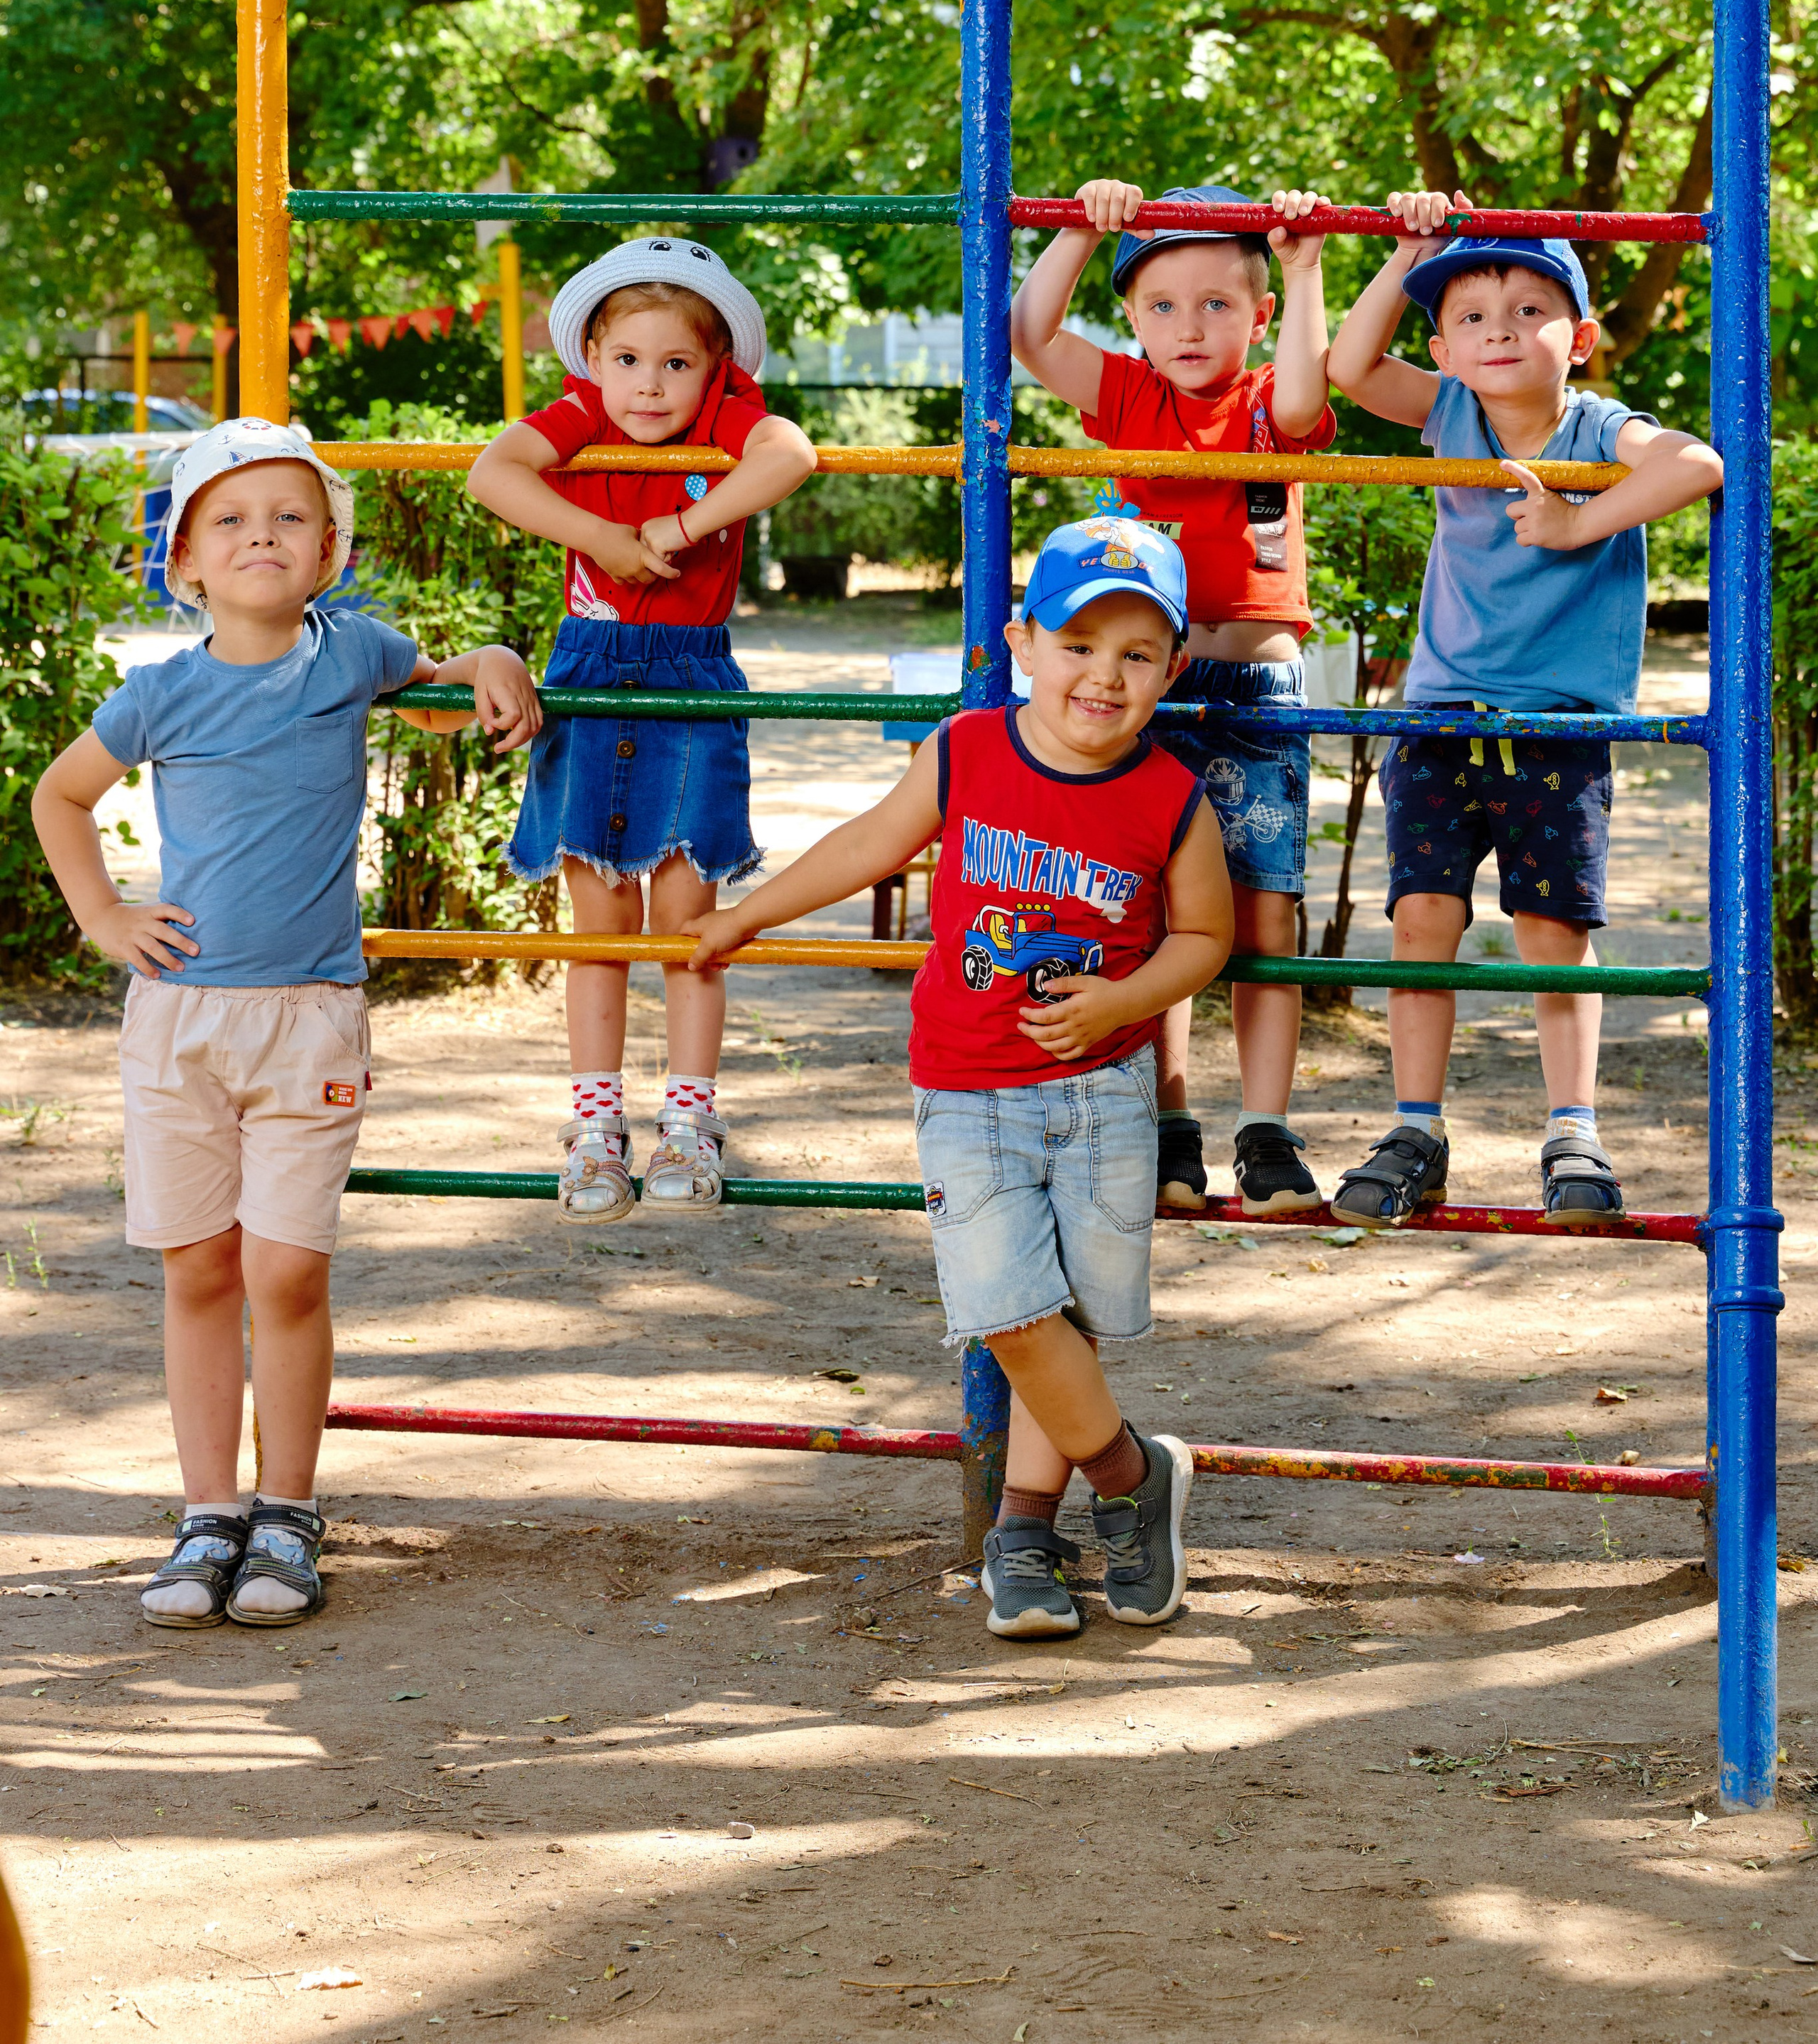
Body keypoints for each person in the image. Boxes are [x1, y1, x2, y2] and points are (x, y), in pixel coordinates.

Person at [31, 416, 541, 1629]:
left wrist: (500, 655)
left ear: (326, 554)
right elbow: (60, 794)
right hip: (179, 1024)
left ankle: (289, 1514)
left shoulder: (350, 652)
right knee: (199, 1268)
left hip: (309, 1019)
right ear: (187, 563)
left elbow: (437, 693)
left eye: (290, 518)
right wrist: (104, 916)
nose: (262, 535)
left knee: (285, 1268)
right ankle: (208, 1513)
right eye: (230, 520)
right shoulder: (158, 693)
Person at [685, 517, 1233, 1640]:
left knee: (1066, 1319)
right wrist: (746, 916)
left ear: (1173, 668)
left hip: (1106, 1097)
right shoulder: (968, 749)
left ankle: (1024, 1532)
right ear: (1023, 643)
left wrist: (1123, 1000)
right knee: (1013, 1314)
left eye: (1137, 653)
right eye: (1080, 642)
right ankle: (1135, 1481)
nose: (1105, 674)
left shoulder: (1171, 796)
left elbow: (1206, 937)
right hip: (970, 1089)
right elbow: (869, 843)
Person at [1324, 195, 1724, 1226]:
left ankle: (1574, 1126)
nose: (1500, 327)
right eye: (1470, 314)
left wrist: (1576, 520)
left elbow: (1696, 462)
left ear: (1579, 339)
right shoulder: (1448, 412)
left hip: (1558, 724)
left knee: (1553, 929)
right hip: (1443, 716)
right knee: (1422, 920)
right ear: (1444, 347)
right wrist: (1409, 252)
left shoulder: (1599, 426)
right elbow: (1349, 370)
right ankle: (1416, 1123)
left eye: (1531, 307)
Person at [467, 236, 815, 1222]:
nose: (650, 385)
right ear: (593, 361)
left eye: (676, 363)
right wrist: (602, 536)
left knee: (689, 925)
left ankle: (692, 1119)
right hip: (589, 665)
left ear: (715, 370)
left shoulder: (724, 418)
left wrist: (677, 529)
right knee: (598, 926)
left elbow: (791, 451)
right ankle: (595, 1122)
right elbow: (493, 472)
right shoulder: (582, 415)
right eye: (627, 360)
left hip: (689, 677)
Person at [1010, 175, 1334, 1221]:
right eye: (1160, 305)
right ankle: (1170, 1124)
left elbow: (1299, 402)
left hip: (1259, 680)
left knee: (1262, 908)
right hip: (1155, 690)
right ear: (1132, 319)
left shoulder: (1265, 402)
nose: (1188, 327)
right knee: (1153, 914)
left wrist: (1303, 261)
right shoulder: (1128, 397)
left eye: (1217, 304)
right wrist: (1076, 224)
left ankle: (1269, 1129)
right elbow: (1029, 332)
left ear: (1259, 315)